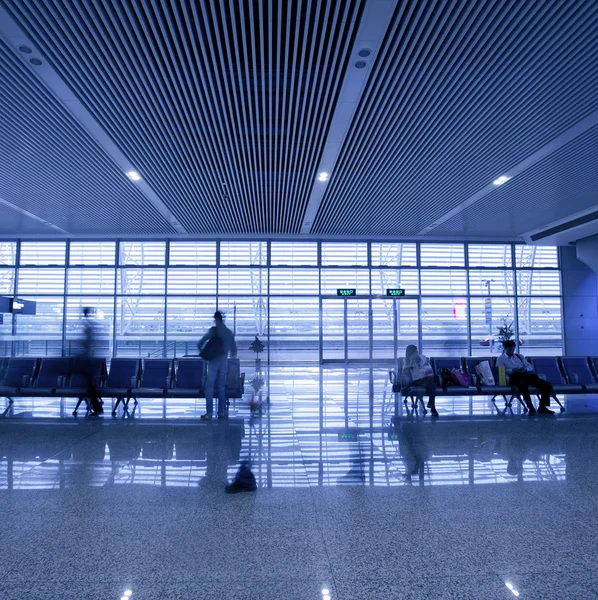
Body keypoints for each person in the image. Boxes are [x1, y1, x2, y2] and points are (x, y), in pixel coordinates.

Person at [496, 340, 554, 415]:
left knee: (546, 385)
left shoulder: (519, 356)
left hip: (525, 375)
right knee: (523, 385)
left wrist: (525, 369)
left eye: (513, 349)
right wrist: (512, 370)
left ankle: (542, 407)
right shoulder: (500, 359)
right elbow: (500, 371)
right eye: (509, 349)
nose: (511, 351)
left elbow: (530, 366)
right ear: (504, 349)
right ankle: (530, 407)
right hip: (513, 377)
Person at [198, 310, 238, 420]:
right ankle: (221, 413)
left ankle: (209, 413)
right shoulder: (229, 333)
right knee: (221, 387)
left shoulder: (214, 331)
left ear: (217, 319)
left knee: (209, 387)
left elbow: (201, 342)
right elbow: (234, 351)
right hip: (223, 361)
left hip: (213, 361)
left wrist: (203, 351)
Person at [403, 344, 438, 417]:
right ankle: (432, 406)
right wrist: (410, 362)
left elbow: (428, 368)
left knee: (431, 381)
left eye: (417, 351)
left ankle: (432, 406)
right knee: (432, 384)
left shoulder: (422, 357)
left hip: (426, 378)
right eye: (415, 352)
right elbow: (404, 372)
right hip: (416, 381)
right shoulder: (406, 360)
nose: (416, 352)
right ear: (410, 353)